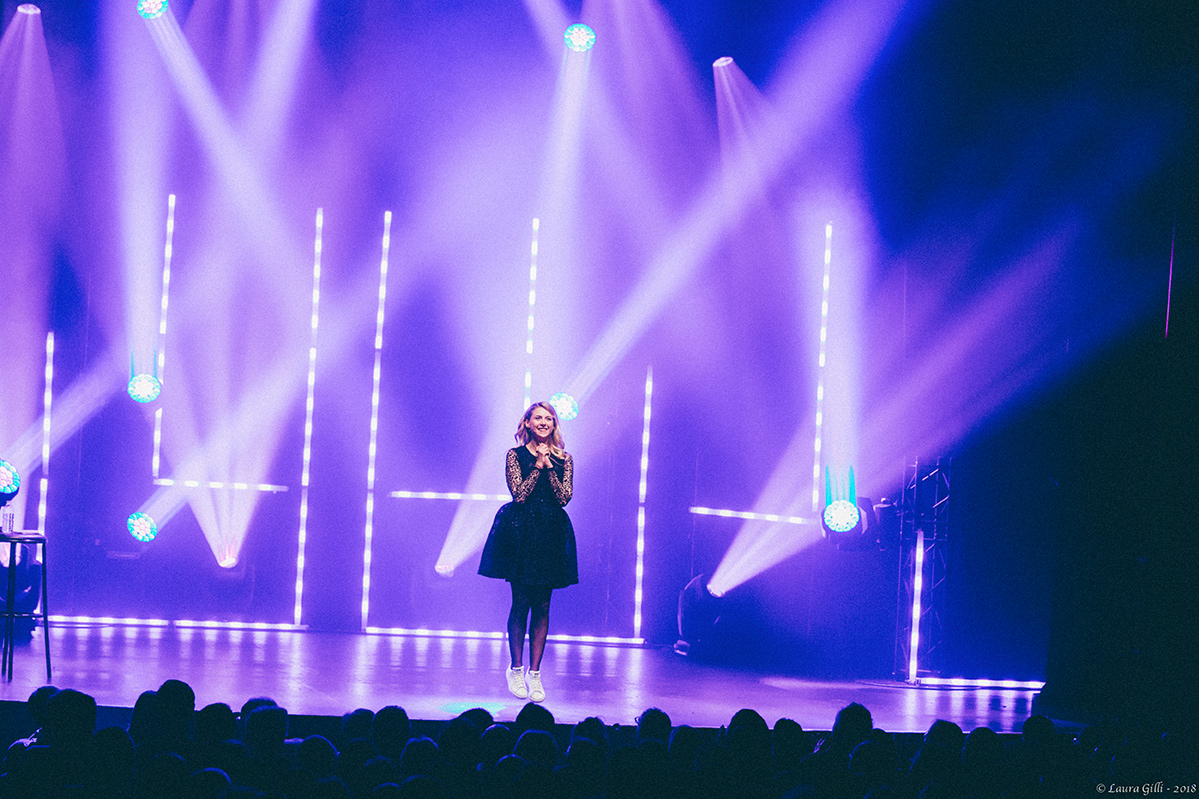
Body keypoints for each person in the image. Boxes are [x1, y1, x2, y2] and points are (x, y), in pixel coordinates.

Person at [478, 401, 577, 703]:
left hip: (549, 532)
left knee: (543, 605)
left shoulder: (565, 458)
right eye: (538, 418)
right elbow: (519, 494)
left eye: (549, 418)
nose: (544, 423)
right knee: (520, 602)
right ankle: (516, 669)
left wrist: (550, 466)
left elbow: (564, 497)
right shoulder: (515, 455)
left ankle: (536, 674)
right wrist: (537, 464)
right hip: (521, 532)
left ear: (554, 424)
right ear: (528, 423)